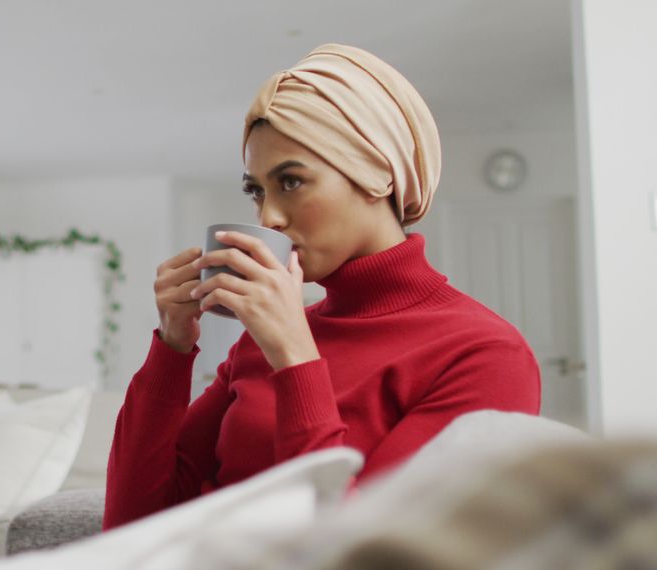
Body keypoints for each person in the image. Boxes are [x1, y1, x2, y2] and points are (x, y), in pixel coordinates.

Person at [102, 43, 541, 530]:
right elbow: (130, 524)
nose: (268, 216)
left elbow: (363, 552)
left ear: (378, 173)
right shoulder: (258, 345)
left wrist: (295, 358)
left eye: (290, 181)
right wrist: (172, 346)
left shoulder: (485, 355)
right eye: (257, 191)